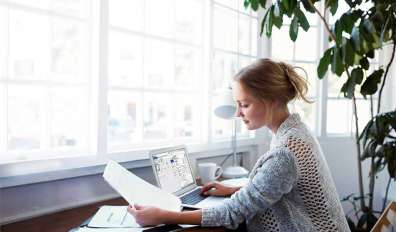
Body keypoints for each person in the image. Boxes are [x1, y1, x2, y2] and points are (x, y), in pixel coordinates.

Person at [127, 59, 350, 231]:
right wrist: (234, 189)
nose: (237, 113)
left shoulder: (286, 152)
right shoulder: (294, 131)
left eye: (244, 104)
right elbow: (279, 188)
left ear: (270, 100)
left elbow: (233, 213)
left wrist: (163, 216)